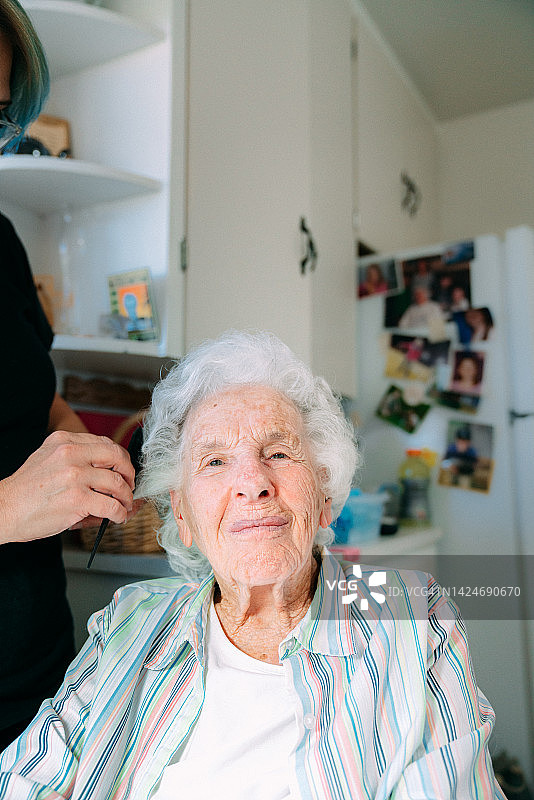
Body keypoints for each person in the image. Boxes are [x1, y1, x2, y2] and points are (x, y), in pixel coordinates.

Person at [0, 331, 506, 798]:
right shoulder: (130, 617)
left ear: (325, 494)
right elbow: (28, 780)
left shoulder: (413, 615)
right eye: (215, 461)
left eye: (279, 453)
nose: (253, 483)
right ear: (183, 514)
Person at [0, 0, 136, 749]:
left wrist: (83, 454)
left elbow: (34, 395)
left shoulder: (1, 243)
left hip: (38, 671)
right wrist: (11, 506)